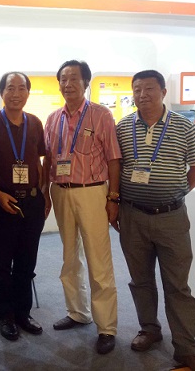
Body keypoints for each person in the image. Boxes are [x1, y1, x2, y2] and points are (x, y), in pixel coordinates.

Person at [116, 70, 195, 371]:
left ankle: (186, 349)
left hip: (171, 218)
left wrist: (177, 191)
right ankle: (149, 329)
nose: (142, 94)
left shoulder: (183, 126)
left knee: (177, 285)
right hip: (132, 215)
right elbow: (116, 167)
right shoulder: (122, 127)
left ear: (163, 92)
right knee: (140, 279)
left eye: (149, 88)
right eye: (137, 89)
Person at [42, 60, 121, 355]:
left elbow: (114, 158)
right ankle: (77, 312)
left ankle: (107, 327)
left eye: (74, 78)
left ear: (86, 83)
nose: (68, 84)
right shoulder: (53, 119)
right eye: (63, 79)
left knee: (99, 261)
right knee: (69, 257)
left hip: (92, 192)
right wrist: (45, 192)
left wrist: (113, 197)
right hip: (61, 192)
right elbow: (48, 160)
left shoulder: (101, 115)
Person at [0, 72, 46, 341]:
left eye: (21, 88)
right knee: (2, 265)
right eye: (10, 88)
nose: (16, 94)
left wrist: (43, 192)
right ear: (2, 93)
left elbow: (39, 159)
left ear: (28, 93)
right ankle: (5, 316)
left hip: (32, 203)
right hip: (2, 204)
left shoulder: (35, 123)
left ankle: (22, 313)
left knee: (27, 263)